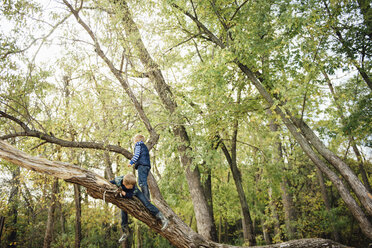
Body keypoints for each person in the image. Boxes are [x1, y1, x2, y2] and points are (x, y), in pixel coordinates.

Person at [110, 174, 169, 243]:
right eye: (131, 186)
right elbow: (110, 182)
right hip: (124, 193)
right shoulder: (118, 180)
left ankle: (163, 218)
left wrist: (125, 194)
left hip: (136, 192)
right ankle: (125, 232)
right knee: (123, 211)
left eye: (133, 185)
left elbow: (131, 195)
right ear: (125, 183)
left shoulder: (133, 188)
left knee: (146, 204)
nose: (132, 186)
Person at [128, 134, 151, 201]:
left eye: (134, 139)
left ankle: (146, 198)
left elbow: (136, 155)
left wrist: (131, 162)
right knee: (143, 181)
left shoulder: (138, 145)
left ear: (137, 140)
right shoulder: (144, 146)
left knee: (141, 182)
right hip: (147, 166)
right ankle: (146, 197)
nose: (134, 140)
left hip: (142, 165)